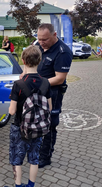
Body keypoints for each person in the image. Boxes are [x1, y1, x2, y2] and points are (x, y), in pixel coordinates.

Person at [3, 45, 52, 187]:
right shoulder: (45, 83)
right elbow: (49, 107)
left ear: (23, 60)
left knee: (17, 158)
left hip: (19, 128)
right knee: (34, 158)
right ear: (40, 60)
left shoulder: (19, 84)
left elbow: (11, 111)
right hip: (38, 128)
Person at [21, 23, 72, 168]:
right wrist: (25, 73)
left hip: (52, 92)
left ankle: (45, 157)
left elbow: (59, 78)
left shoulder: (63, 52)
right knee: (33, 119)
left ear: (54, 35)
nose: (41, 43)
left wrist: (36, 83)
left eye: (45, 40)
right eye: (39, 39)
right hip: (35, 89)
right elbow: (28, 59)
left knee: (49, 124)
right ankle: (33, 150)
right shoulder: (38, 43)